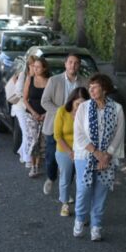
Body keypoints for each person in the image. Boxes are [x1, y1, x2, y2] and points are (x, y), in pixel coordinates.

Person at [72, 74, 125, 241]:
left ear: (105, 89)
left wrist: (106, 155)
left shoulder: (116, 108)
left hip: (107, 157)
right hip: (85, 155)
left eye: (95, 86)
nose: (91, 90)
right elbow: (79, 134)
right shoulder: (84, 108)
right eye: (90, 87)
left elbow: (119, 133)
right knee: (84, 189)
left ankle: (96, 225)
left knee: (101, 192)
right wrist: (97, 153)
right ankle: (80, 220)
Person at [40, 54, 85, 196]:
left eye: (76, 63)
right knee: (51, 158)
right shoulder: (54, 81)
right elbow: (45, 101)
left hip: (75, 128)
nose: (73, 65)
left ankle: (66, 189)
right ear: (65, 64)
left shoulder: (84, 82)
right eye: (70, 62)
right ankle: (51, 177)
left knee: (71, 158)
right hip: (54, 124)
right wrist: (61, 113)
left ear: (79, 65)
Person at [54, 87, 89, 217]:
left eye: (83, 103)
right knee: (65, 177)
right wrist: (70, 152)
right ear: (72, 101)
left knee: (82, 180)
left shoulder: (88, 114)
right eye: (77, 103)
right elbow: (57, 135)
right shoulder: (62, 111)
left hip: (83, 150)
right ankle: (65, 204)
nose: (80, 106)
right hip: (64, 150)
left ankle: (82, 208)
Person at [9, 56, 37, 167]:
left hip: (31, 107)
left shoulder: (38, 77)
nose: (34, 67)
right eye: (32, 65)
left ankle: (22, 151)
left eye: (36, 65)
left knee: (31, 132)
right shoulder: (23, 76)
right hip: (20, 106)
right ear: (28, 65)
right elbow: (19, 92)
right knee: (26, 132)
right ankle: (27, 158)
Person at [24, 57, 50, 177]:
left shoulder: (50, 81)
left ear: (44, 68)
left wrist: (45, 114)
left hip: (45, 116)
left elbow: (52, 100)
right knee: (33, 140)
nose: (35, 68)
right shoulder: (30, 79)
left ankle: (38, 165)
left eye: (38, 66)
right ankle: (32, 165)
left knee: (41, 141)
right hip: (31, 115)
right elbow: (25, 99)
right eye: (34, 66)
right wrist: (33, 112)